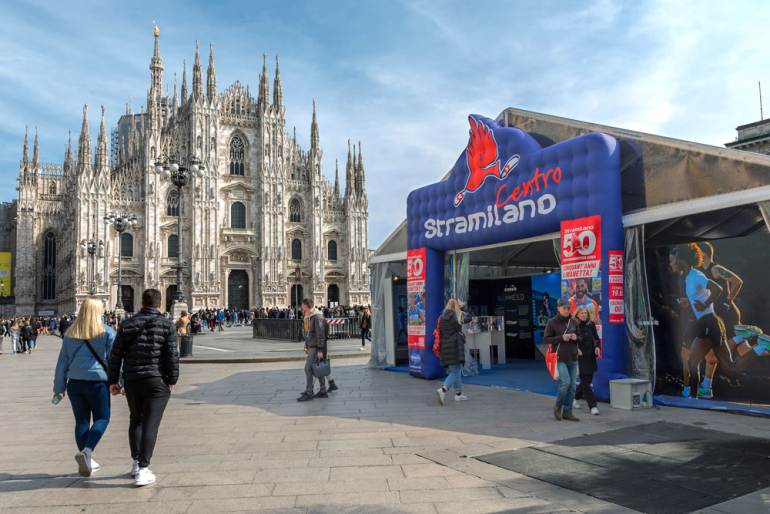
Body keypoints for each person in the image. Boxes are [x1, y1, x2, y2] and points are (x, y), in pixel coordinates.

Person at [108, 289, 179, 487]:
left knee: (136, 420)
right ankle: (143, 469)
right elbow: (171, 354)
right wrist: (172, 379)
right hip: (156, 380)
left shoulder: (127, 323)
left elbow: (115, 355)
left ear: (141, 302)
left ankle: (135, 463)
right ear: (160, 302)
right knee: (151, 424)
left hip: (132, 380)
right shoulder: (166, 323)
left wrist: (113, 380)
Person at [53, 298, 116, 477]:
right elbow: (114, 361)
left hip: (74, 383)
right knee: (102, 418)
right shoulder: (107, 332)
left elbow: (62, 363)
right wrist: (118, 382)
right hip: (97, 382)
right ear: (99, 311)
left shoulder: (70, 333)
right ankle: (87, 451)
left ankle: (87, 458)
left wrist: (59, 388)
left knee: (81, 421)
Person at [544, 298, 580, 421]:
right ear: (558, 308)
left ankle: (568, 411)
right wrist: (561, 337)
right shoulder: (552, 322)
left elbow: (580, 338)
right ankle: (558, 406)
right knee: (566, 383)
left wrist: (575, 337)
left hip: (573, 356)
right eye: (564, 308)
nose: (566, 310)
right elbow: (547, 339)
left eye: (568, 308)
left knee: (573, 387)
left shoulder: (574, 321)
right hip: (559, 357)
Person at [297, 298, 337, 401]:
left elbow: (320, 334)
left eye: (303, 306)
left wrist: (320, 349)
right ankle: (323, 390)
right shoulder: (310, 316)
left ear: (307, 305)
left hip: (316, 347)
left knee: (308, 369)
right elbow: (310, 333)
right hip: (313, 346)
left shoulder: (317, 316)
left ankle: (309, 392)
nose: (302, 307)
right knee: (316, 369)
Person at [436, 298, 470, 406]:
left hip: (445, 347)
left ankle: (458, 394)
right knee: (455, 371)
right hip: (455, 347)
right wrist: (462, 306)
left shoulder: (441, 318)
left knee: (456, 370)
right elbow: (469, 317)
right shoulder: (457, 316)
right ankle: (443, 390)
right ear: (456, 306)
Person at [573, 307, 601, 415]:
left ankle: (574, 397)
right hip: (579, 357)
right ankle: (593, 406)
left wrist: (597, 347)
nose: (584, 315)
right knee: (586, 382)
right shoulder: (574, 326)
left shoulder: (591, 325)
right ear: (577, 315)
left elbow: (596, 338)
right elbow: (571, 341)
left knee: (586, 382)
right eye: (581, 313)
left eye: (585, 313)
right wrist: (576, 349)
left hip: (591, 357)